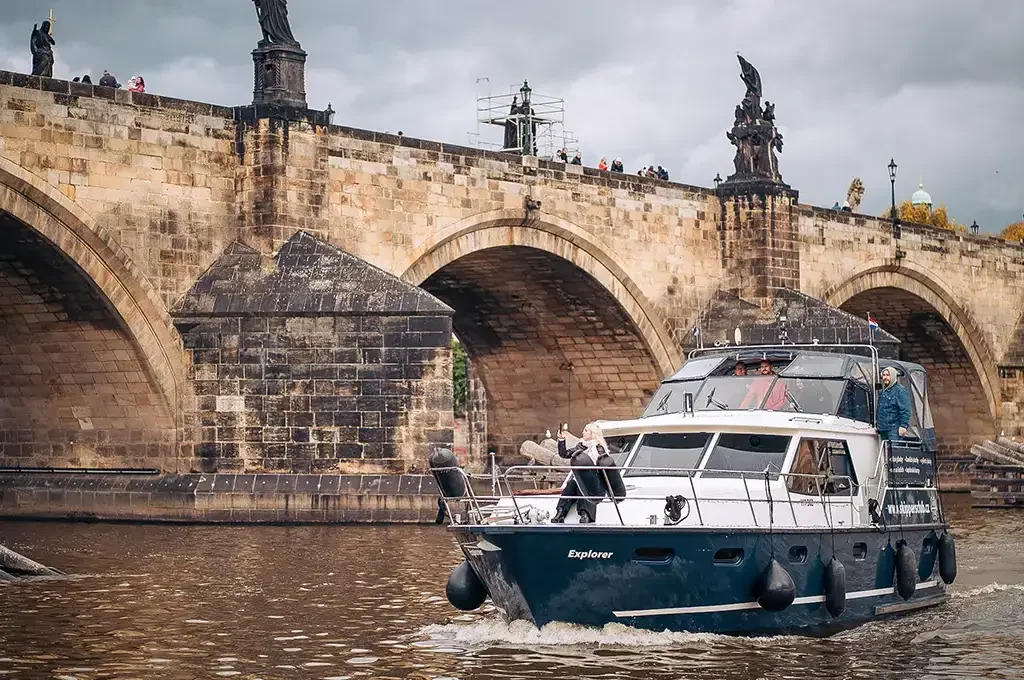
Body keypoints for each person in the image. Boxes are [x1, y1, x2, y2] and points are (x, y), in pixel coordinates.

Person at [551, 422, 610, 524]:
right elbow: (565, 454)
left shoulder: (599, 448)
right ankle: (560, 512)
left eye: (586, 430)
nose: (583, 432)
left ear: (592, 434)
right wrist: (561, 440)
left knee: (585, 483)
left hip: (595, 481)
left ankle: (585, 514)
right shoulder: (581, 446)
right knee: (572, 484)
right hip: (581, 478)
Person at [877, 366, 911, 441]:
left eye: (888, 375)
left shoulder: (900, 391)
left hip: (894, 429)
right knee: (885, 451)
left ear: (893, 376)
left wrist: (903, 426)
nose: (885, 377)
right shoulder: (883, 391)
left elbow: (905, 409)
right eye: (884, 375)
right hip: (883, 428)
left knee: (893, 451)